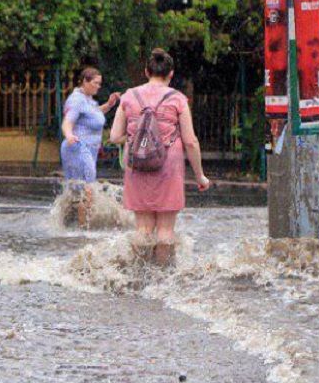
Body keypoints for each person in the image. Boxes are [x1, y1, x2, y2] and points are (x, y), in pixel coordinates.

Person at [109, 48, 211, 265]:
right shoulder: (178, 99)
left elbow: (115, 135)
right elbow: (190, 141)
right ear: (171, 74)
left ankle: (138, 274)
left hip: (137, 164)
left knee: (143, 229)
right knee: (165, 230)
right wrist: (200, 176)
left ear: (146, 71)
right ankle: (161, 278)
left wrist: (137, 139)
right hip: (168, 164)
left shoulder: (128, 96)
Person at [61, 67, 120, 226]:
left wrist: (109, 104)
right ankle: (82, 228)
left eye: (100, 83)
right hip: (78, 149)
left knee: (78, 190)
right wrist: (69, 135)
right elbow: (67, 122)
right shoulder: (76, 100)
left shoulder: (87, 99)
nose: (98, 86)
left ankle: (68, 225)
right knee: (87, 189)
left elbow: (92, 114)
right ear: (85, 82)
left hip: (87, 151)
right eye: (95, 83)